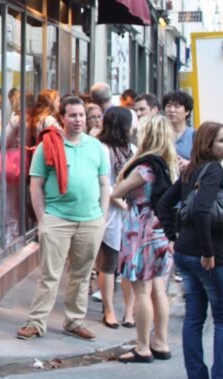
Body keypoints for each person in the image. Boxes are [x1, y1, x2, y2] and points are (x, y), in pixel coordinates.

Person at [17, 95, 109, 342]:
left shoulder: (96, 147)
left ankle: (74, 321)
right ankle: (36, 322)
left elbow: (104, 184)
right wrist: (42, 219)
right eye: (73, 115)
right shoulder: (48, 145)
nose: (78, 120)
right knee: (50, 275)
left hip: (90, 220)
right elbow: (35, 185)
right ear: (62, 118)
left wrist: (102, 217)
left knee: (81, 274)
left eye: (81, 115)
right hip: (57, 219)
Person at [157, 122, 223, 379]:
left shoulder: (192, 169)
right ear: (208, 145)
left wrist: (172, 236)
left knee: (194, 318)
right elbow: (202, 210)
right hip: (207, 255)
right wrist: (208, 252)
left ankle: (196, 375)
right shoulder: (213, 170)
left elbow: (164, 203)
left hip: (184, 251)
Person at [110, 115, 176, 363]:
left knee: (141, 291)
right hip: (160, 231)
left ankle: (142, 347)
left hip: (140, 233)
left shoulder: (144, 168)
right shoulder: (168, 165)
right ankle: (161, 342)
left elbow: (116, 191)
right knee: (159, 290)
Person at [93, 107, 136, 329]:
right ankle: (108, 309)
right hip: (111, 211)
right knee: (108, 263)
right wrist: (121, 201)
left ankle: (129, 312)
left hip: (131, 213)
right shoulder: (102, 149)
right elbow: (103, 183)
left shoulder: (133, 149)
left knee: (129, 264)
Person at [162, 90, 195, 162]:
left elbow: (203, 163)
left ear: (187, 111)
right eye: (168, 106)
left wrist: (188, 164)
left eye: (177, 106)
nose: (171, 110)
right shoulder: (158, 134)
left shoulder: (195, 136)